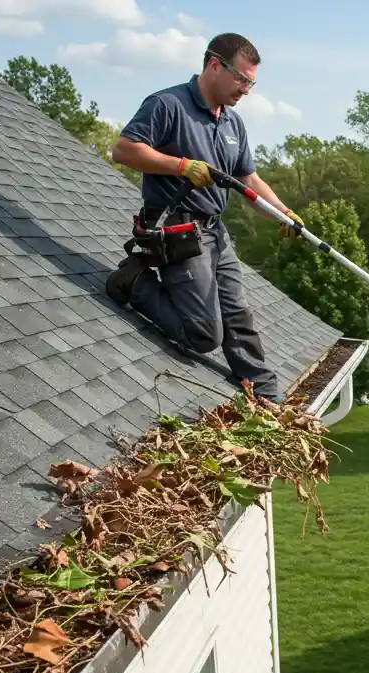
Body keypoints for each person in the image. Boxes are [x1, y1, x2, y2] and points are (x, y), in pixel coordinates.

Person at [106, 32, 304, 404]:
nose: (246, 89)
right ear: (214, 65)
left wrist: (283, 212)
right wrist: (181, 166)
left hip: (215, 231)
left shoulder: (233, 124)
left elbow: (249, 180)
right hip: (176, 228)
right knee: (204, 335)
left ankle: (264, 393)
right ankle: (133, 282)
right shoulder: (167, 105)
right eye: (241, 78)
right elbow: (123, 150)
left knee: (238, 316)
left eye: (251, 82)